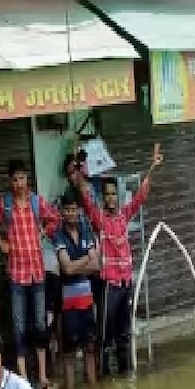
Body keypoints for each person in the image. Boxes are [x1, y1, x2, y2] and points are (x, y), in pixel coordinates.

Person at [77, 144, 163, 376]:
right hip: (109, 285)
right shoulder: (99, 218)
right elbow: (84, 194)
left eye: (114, 194)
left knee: (124, 334)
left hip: (125, 284)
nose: (111, 198)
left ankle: (125, 375)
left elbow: (141, 195)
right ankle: (103, 378)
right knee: (105, 335)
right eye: (107, 195)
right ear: (103, 199)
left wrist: (152, 166)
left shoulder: (125, 215)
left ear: (118, 196)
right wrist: (80, 167)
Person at [0, 159, 61, 389]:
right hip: (17, 275)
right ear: (10, 181)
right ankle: (24, 378)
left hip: (37, 274)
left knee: (39, 324)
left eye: (22, 178)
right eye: (15, 179)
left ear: (28, 179)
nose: (19, 183)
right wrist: (0, 242)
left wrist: (43, 234)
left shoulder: (37, 203)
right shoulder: (5, 205)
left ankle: (43, 376)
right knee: (18, 326)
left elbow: (55, 219)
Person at [54, 193, 101, 389]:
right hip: (68, 301)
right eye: (67, 210)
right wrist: (86, 258)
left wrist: (78, 264)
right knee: (69, 351)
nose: (71, 213)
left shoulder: (85, 231)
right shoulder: (58, 236)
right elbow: (67, 269)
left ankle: (92, 388)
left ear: (79, 211)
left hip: (87, 299)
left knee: (90, 347)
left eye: (74, 209)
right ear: (62, 212)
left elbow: (96, 265)